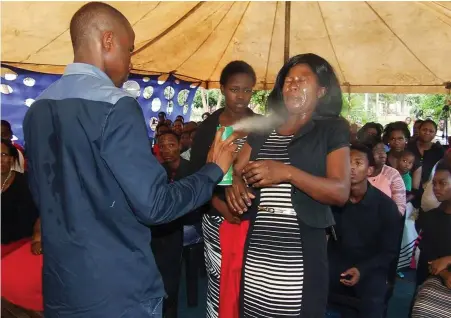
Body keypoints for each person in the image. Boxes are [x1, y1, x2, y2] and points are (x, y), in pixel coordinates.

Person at [22, 3, 237, 317]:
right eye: (129, 49)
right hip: (118, 290)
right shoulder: (116, 105)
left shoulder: (37, 110)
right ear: (108, 41)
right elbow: (155, 205)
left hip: (62, 287)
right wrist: (213, 170)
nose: (131, 62)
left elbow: (44, 196)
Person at [226, 53, 350, 317]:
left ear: (322, 90)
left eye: (303, 80)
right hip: (260, 242)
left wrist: (288, 173)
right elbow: (235, 167)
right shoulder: (264, 127)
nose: (293, 84)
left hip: (300, 247)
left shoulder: (332, 129)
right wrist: (234, 183)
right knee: (256, 309)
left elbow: (340, 191)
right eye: (288, 80)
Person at [190, 60, 259, 318]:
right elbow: (196, 177)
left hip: (255, 217)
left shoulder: (263, 126)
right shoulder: (209, 128)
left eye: (247, 90)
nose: (241, 96)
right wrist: (220, 207)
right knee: (220, 281)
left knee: (250, 281)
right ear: (222, 89)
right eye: (234, 89)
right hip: (218, 215)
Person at [328, 143, 401, 318]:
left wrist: (362, 269)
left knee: (372, 302)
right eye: (347, 162)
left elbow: (389, 251)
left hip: (370, 269)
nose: (351, 167)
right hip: (335, 266)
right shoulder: (331, 200)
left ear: (369, 171)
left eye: (358, 163)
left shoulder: (385, 207)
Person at [151, 131, 192, 318]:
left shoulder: (192, 170)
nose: (166, 150)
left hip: (189, 225)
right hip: (165, 227)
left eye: (171, 145)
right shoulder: (157, 172)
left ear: (180, 146)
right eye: (162, 145)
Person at [415, 159, 451, 287]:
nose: (436, 188)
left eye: (442, 183)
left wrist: (447, 260)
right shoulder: (431, 218)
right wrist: (445, 274)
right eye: (434, 183)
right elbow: (427, 258)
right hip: (431, 279)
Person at [367, 137, 406, 215]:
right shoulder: (358, 172)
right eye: (377, 151)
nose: (383, 155)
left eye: (384, 150)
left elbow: (400, 207)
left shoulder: (392, 174)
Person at [384, 121, 422, 191]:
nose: (396, 142)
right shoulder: (383, 159)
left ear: (406, 140)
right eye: (392, 139)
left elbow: (415, 191)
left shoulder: (415, 162)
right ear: (388, 141)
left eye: (400, 139)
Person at [408, 119, 444, 186]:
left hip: (430, 188)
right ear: (419, 130)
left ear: (435, 133)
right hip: (408, 186)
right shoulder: (409, 147)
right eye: (424, 130)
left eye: (431, 131)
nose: (427, 133)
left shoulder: (438, 150)